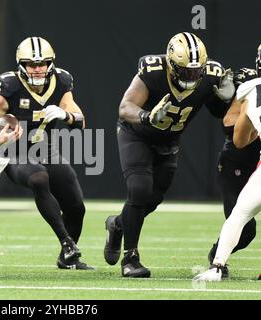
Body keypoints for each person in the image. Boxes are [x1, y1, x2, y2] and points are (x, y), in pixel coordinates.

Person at [104, 32, 235, 278]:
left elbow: (219, 113)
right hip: (137, 135)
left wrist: (224, 100)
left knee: (153, 198)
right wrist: (147, 116)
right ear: (172, 64)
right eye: (185, 71)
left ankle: (118, 224)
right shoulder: (153, 71)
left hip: (169, 141)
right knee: (140, 189)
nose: (192, 76)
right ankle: (130, 258)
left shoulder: (210, 76)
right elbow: (125, 108)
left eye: (196, 71)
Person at [0, 36, 92, 270]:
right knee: (39, 178)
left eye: (42, 63)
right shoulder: (9, 86)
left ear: (50, 63)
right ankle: (67, 243)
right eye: (31, 64)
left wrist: (66, 116)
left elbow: (80, 121)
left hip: (46, 151)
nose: (37, 69)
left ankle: (67, 259)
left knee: (76, 207)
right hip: (13, 152)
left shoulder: (61, 82)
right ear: (21, 64)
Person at [194, 45, 261, 282]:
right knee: (242, 219)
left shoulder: (252, 87)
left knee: (240, 214)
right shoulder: (248, 83)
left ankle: (217, 266)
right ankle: (218, 261)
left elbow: (241, 137)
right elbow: (234, 132)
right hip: (238, 162)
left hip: (256, 162)